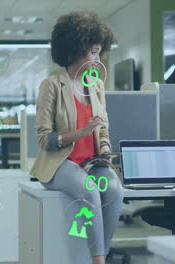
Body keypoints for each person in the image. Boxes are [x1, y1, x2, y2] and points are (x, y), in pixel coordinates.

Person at [29, 11, 123, 264]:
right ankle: (99, 261)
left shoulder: (96, 86)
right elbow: (44, 140)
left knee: (115, 189)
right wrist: (80, 133)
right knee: (90, 190)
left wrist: (104, 149)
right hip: (61, 163)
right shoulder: (51, 86)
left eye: (99, 52)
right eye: (93, 51)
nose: (97, 58)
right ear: (74, 49)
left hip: (92, 162)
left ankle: (101, 251)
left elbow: (103, 129)